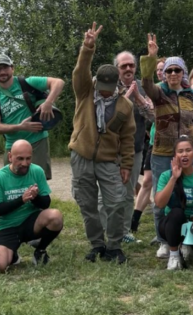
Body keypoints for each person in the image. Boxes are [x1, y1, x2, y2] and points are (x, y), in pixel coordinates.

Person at [68, 23, 136, 264]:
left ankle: (114, 245)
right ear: (96, 83)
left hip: (109, 160)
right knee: (87, 204)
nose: (106, 93)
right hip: (81, 156)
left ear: (117, 85)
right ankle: (97, 244)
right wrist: (88, 47)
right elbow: (80, 71)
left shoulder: (124, 105)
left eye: (110, 89)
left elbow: (128, 138)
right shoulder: (85, 92)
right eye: (102, 88)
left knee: (117, 202)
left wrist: (126, 164)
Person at [140, 34, 193, 258]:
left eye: (177, 70)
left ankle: (187, 240)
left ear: (183, 73)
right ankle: (163, 240)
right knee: (162, 198)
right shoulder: (159, 93)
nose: (173, 74)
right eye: (169, 71)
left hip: (190, 151)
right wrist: (151, 57)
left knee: (190, 196)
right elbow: (146, 83)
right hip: (162, 152)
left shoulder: (192, 95)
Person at [0, 53, 65, 181]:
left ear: (12, 68)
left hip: (37, 141)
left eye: (5, 67)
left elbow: (58, 82)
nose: (2, 72)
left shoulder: (27, 83)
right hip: (12, 145)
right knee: (13, 182)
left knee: (38, 181)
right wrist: (20, 127)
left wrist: (48, 102)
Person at [0, 140, 64, 270]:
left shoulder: (37, 171)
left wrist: (34, 197)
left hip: (31, 223)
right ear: (10, 157)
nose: (25, 163)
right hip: (7, 226)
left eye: (28, 158)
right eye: (20, 159)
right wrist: (21, 200)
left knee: (55, 216)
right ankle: (13, 255)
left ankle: (40, 250)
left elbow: (46, 203)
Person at [154, 136, 193, 270]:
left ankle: (188, 246)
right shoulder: (166, 175)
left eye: (188, 150)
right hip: (172, 224)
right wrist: (174, 178)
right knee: (176, 213)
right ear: (175, 156)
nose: (184, 154)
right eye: (180, 151)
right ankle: (174, 255)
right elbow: (159, 203)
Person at [114, 48, 153, 246]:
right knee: (110, 192)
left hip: (135, 148)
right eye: (124, 66)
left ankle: (124, 230)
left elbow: (153, 117)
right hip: (110, 150)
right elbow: (107, 117)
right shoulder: (108, 86)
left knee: (128, 191)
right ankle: (109, 229)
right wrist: (126, 99)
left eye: (131, 65)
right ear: (117, 69)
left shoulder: (142, 87)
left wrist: (137, 96)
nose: (128, 69)